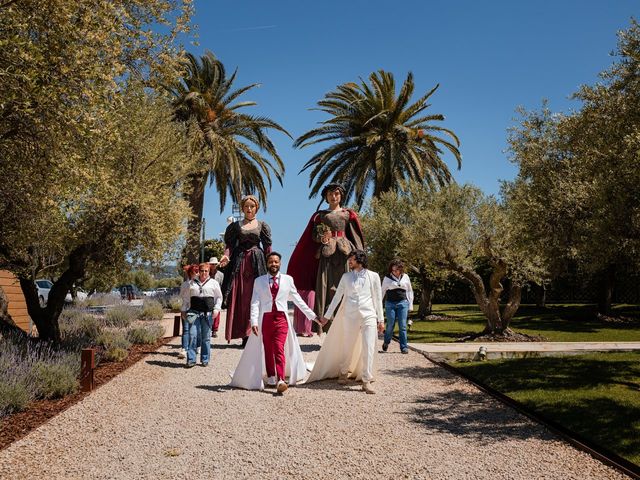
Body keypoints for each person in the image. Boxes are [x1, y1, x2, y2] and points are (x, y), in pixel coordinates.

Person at [230, 252, 317, 392]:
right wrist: (253, 322)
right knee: (268, 348)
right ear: (267, 263)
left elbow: (298, 300)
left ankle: (281, 379)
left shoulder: (288, 280)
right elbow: (254, 302)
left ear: (280, 263)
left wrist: (312, 316)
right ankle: (271, 376)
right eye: (271, 261)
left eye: (276, 261)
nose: (274, 264)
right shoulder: (259, 281)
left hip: (282, 318)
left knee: (278, 348)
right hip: (266, 318)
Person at [287, 183, 364, 332]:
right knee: (326, 288)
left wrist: (361, 258)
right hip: (327, 254)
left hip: (345, 254)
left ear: (341, 196)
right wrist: (322, 238)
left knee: (347, 287)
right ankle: (328, 327)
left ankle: (347, 326)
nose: (333, 197)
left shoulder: (348, 214)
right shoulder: (320, 216)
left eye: (336, 194)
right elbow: (313, 236)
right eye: (330, 194)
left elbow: (355, 237)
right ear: (326, 197)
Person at [307, 250, 384, 394]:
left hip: (369, 315)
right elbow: (337, 297)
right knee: (348, 345)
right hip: (350, 315)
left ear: (359, 260)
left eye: (352, 259)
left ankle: (366, 380)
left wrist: (381, 319)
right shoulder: (346, 277)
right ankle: (343, 372)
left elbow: (378, 298)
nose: (349, 262)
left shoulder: (374, 276)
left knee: (369, 346)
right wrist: (326, 316)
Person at [219, 195, 272, 346]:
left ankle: (255, 333)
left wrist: (272, 265)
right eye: (246, 206)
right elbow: (229, 246)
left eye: (252, 206)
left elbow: (267, 247)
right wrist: (225, 256)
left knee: (256, 297)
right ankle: (244, 334)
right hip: (239, 264)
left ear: (256, 208)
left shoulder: (262, 225)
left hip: (257, 264)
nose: (249, 209)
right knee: (241, 298)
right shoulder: (235, 227)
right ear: (242, 208)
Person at [181, 262, 222, 367]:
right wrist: (183, 310)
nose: (204, 273)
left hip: (207, 314)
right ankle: (191, 359)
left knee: (206, 337)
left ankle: (205, 359)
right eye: (202, 270)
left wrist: (216, 309)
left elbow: (219, 297)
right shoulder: (192, 283)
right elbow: (186, 299)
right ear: (198, 271)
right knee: (192, 335)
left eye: (206, 271)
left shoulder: (213, 283)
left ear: (209, 272)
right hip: (193, 313)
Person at [381, 259, 414, 354]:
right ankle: (386, 342)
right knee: (390, 324)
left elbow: (409, 291)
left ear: (401, 269)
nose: (395, 272)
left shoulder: (406, 277)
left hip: (403, 303)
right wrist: (378, 305)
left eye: (396, 270)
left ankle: (404, 347)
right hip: (390, 303)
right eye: (393, 270)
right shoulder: (387, 278)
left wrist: (410, 304)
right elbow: (382, 291)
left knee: (403, 326)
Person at [178, 264, 199, 359]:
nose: (196, 273)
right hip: (186, 308)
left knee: (196, 330)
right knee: (186, 330)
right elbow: (182, 296)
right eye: (194, 271)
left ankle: (196, 346)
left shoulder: (200, 284)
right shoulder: (185, 284)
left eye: (197, 271)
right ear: (190, 273)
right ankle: (184, 349)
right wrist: (183, 309)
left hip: (196, 309)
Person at [209, 257, 224, 338]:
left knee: (217, 312)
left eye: (215, 264)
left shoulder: (221, 275)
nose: (213, 265)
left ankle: (214, 330)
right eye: (212, 264)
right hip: (208, 295)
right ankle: (208, 328)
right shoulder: (206, 273)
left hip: (217, 295)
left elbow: (222, 285)